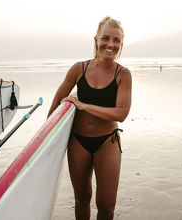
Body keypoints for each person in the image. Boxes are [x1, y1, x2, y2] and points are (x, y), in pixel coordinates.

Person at [48, 16, 132, 220]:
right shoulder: (79, 69)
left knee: (106, 207)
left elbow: (121, 113)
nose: (110, 44)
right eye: (106, 38)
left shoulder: (123, 74)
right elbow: (57, 103)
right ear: (96, 40)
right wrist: (48, 138)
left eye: (116, 40)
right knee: (82, 198)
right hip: (78, 141)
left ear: (121, 44)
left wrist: (84, 105)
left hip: (107, 142)